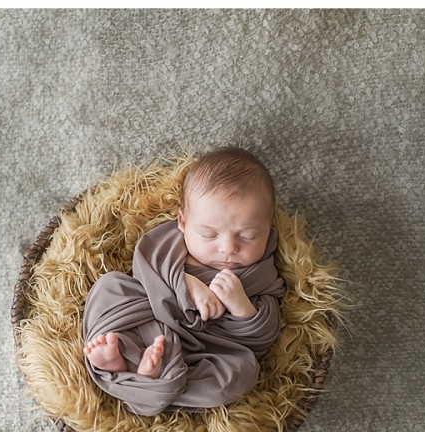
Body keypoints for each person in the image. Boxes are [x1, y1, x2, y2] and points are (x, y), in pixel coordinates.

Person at [82, 147, 285, 416]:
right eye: (209, 234)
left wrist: (242, 307)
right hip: (150, 324)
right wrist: (186, 283)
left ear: (268, 230)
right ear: (183, 222)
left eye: (247, 236)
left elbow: (262, 339)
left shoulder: (260, 273)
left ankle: (147, 382)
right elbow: (143, 269)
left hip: (205, 354)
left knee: (242, 373)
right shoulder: (168, 245)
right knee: (111, 286)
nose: (228, 248)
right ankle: (128, 357)